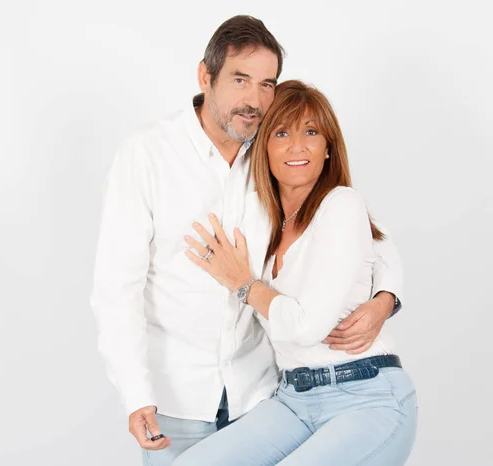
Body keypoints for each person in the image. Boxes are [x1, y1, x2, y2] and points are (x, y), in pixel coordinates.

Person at [91, 16, 403, 466]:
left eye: (266, 84)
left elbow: (364, 230)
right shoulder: (147, 154)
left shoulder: (276, 153)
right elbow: (116, 287)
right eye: (241, 80)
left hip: (262, 397)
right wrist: (135, 393)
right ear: (206, 76)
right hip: (175, 399)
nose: (254, 100)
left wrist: (386, 297)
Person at [174, 80, 417, 466]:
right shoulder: (260, 221)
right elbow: (380, 248)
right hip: (292, 399)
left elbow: (306, 327)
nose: (297, 146)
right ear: (263, 148)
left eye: (311, 132)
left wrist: (243, 284)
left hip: (366, 393)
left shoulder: (342, 204)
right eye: (282, 132)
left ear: (328, 148)